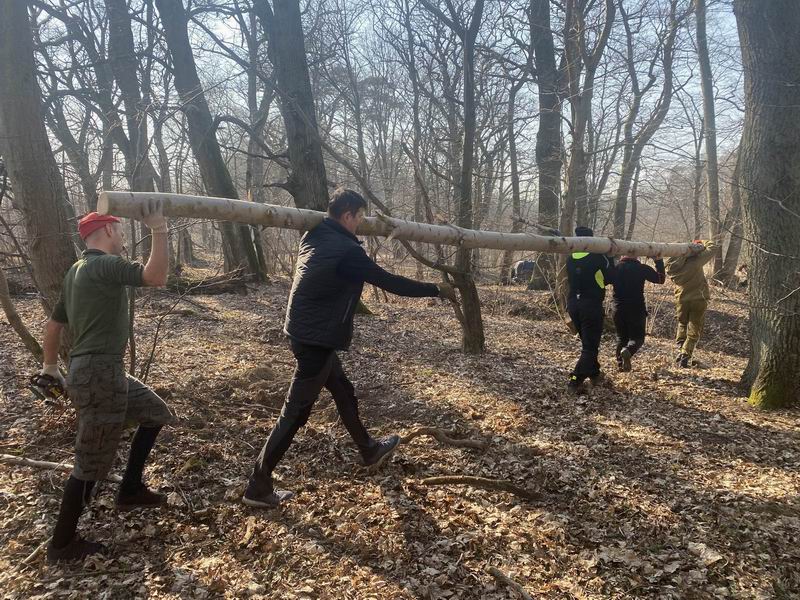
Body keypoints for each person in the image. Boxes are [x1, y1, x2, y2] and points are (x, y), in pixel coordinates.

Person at [243, 188, 458, 508]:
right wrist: (436, 289)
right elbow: (390, 282)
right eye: (359, 217)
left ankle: (368, 448)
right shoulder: (346, 250)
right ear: (348, 215)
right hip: (315, 339)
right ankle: (258, 487)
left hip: (304, 331)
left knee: (343, 390)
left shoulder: (315, 234)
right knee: (295, 413)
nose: (360, 224)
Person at [39, 201, 174, 562]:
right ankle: (62, 544)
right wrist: (158, 229)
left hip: (100, 371)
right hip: (99, 375)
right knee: (91, 462)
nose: (124, 235)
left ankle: (129, 490)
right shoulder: (104, 265)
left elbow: (54, 325)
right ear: (109, 231)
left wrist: (50, 367)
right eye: (121, 229)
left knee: (155, 412)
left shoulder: (75, 271)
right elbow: (155, 277)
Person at [566, 226, 616, 394]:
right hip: (591, 305)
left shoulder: (570, 256)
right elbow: (611, 278)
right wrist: (611, 257)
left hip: (573, 304)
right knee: (590, 347)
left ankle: (595, 374)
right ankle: (574, 380)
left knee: (588, 344)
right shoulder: (597, 257)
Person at [665, 239, 717, 367]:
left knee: (682, 323)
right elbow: (713, 247)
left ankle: (680, 347)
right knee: (695, 327)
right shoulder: (695, 262)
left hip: (682, 299)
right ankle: (685, 354)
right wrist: (700, 242)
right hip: (699, 298)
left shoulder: (670, 267)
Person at [611, 255, 665, 371]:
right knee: (638, 338)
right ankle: (629, 351)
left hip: (618, 308)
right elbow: (660, 279)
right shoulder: (642, 268)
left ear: (621, 255)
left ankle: (621, 366)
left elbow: (605, 280)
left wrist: (609, 258)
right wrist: (658, 260)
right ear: (636, 255)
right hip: (636, 309)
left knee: (621, 338)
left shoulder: (616, 268)